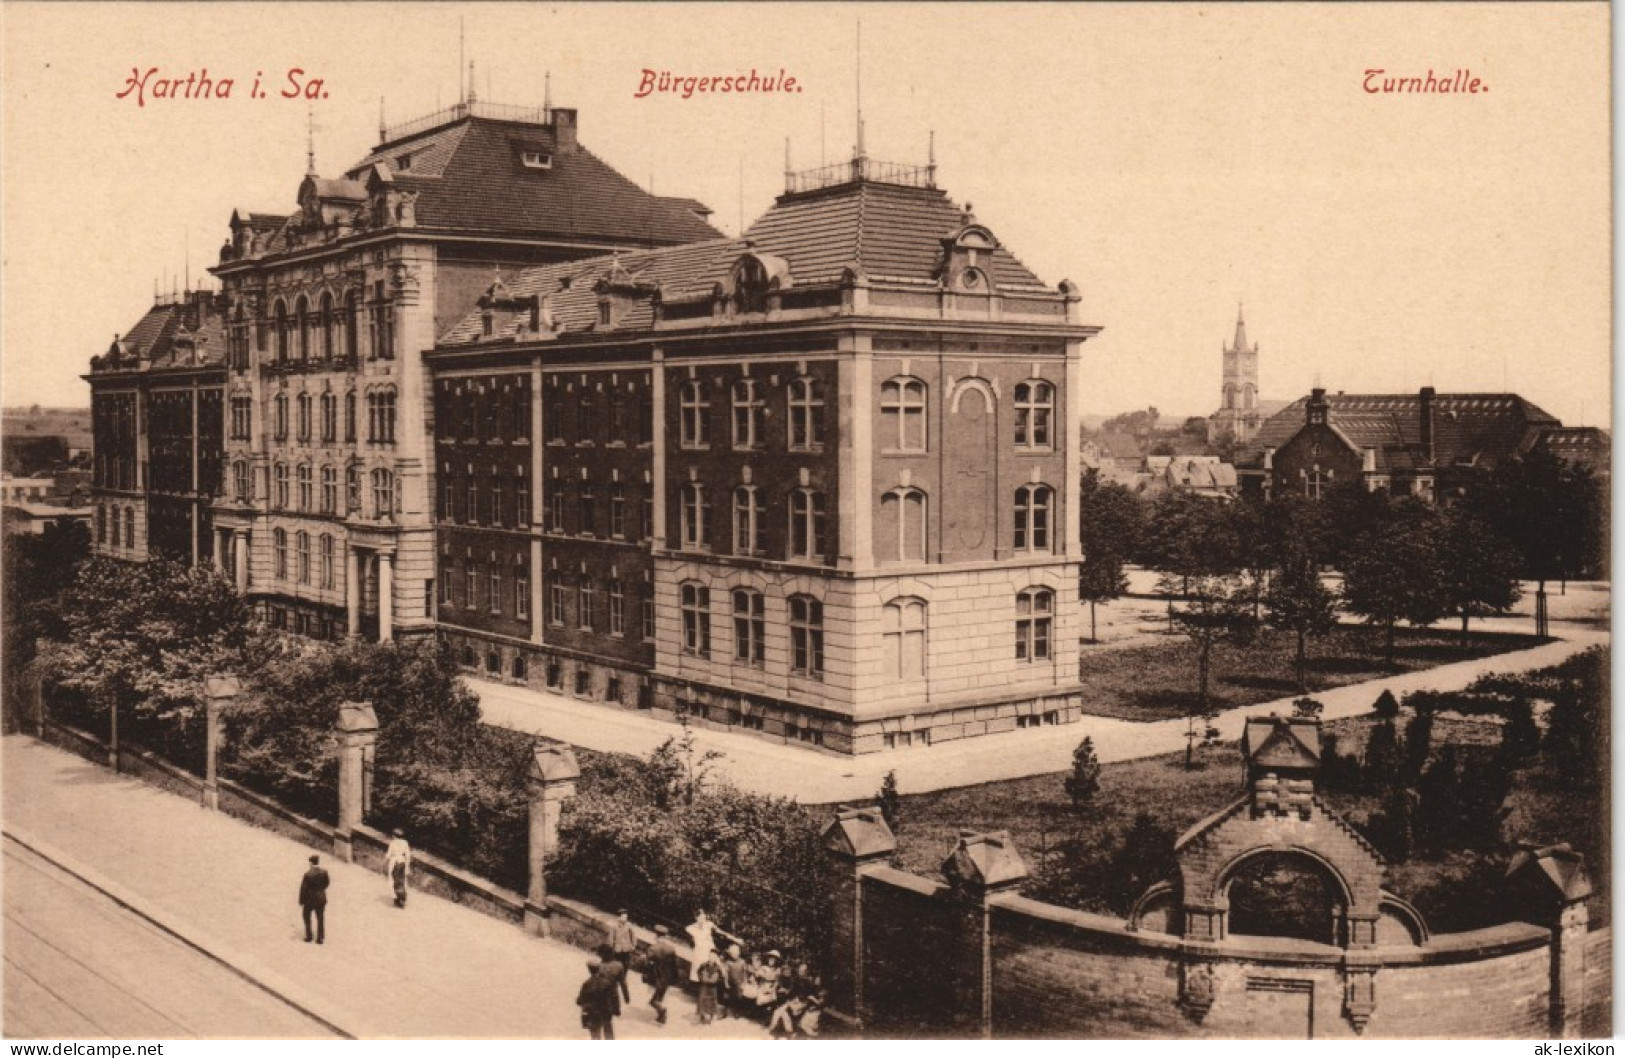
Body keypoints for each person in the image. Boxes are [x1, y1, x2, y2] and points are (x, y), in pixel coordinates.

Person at [576, 958, 619, 1040]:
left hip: (593, 1013)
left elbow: (579, 1001)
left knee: (595, 1035)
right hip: (606, 1011)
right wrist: (616, 1009)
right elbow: (614, 996)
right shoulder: (609, 982)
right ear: (599, 968)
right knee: (608, 1032)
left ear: (589, 969)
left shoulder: (587, 984)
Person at [647, 923, 679, 1025]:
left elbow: (647, 964)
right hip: (667, 978)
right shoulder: (671, 949)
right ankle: (660, 1018)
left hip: (657, 977)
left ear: (656, 936)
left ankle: (662, 1012)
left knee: (653, 1001)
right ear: (665, 937)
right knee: (659, 997)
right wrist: (674, 979)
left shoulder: (653, 948)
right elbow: (675, 966)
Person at [298, 854, 329, 944]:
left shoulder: (307, 875)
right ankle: (320, 938)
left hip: (309, 899)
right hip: (320, 898)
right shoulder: (324, 872)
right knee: (320, 918)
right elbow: (326, 883)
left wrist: (301, 900)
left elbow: (303, 888)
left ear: (311, 863)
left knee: (306, 917)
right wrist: (320, 890)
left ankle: (309, 936)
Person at [608, 909, 636, 1004]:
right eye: (623, 916)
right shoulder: (614, 926)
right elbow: (611, 939)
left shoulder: (629, 926)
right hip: (617, 951)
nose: (625, 918)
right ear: (619, 917)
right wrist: (611, 948)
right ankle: (613, 993)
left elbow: (634, 937)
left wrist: (632, 946)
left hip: (626, 951)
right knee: (615, 972)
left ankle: (625, 996)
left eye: (626, 916)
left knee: (624, 974)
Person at [686, 909, 718, 982]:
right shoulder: (691, 928)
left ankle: (709, 983)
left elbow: (720, 932)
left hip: (709, 950)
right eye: (701, 918)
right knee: (699, 968)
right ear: (696, 918)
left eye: (704, 918)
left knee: (711, 966)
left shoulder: (709, 925)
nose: (703, 920)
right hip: (699, 951)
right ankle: (698, 985)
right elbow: (691, 942)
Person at [384, 828, 411, 909]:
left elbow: (388, 855)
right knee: (402, 879)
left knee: (394, 880)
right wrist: (407, 865)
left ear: (394, 835)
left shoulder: (392, 843)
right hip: (402, 862)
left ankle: (399, 898)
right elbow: (408, 855)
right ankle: (402, 897)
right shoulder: (405, 843)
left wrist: (384, 863)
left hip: (394, 862)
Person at [720, 943, 748, 1019]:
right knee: (726, 997)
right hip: (730, 983)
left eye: (735, 953)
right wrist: (726, 983)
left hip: (739, 983)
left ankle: (737, 1012)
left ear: (739, 953)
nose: (734, 954)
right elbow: (726, 974)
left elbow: (745, 974)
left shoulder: (742, 962)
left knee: (738, 998)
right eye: (732, 953)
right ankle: (724, 1013)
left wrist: (744, 983)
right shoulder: (728, 962)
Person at [695, 951, 724, 1025]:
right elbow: (698, 972)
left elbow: (721, 977)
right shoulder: (704, 965)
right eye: (710, 956)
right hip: (704, 986)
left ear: (715, 958)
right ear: (709, 956)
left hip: (713, 987)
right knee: (701, 999)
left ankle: (712, 1017)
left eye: (713, 956)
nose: (712, 958)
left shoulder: (717, 968)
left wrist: (716, 980)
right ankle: (701, 1016)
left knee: (712, 1001)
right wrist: (701, 978)